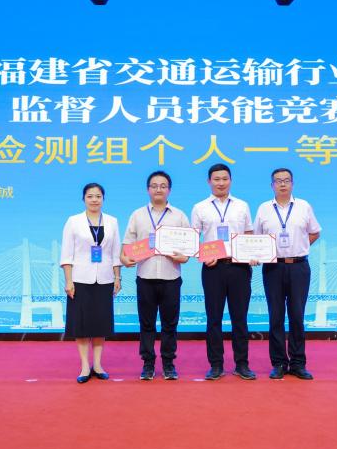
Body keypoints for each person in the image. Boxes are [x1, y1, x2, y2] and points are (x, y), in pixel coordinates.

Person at [120, 171, 191, 381]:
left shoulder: (179, 216)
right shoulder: (137, 215)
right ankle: (148, 363)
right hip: (145, 277)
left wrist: (184, 257)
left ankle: (169, 363)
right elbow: (126, 247)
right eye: (154, 185)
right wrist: (125, 259)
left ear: (169, 190)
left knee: (170, 324)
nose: (158, 189)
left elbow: (188, 249)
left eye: (163, 186)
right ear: (148, 189)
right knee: (147, 324)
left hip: (171, 277)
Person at [253, 168, 321, 380]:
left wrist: (300, 247)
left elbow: (315, 232)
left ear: (292, 184)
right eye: (278, 181)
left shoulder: (304, 206)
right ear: (272, 185)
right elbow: (256, 238)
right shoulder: (264, 209)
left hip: (299, 267)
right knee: (275, 316)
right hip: (273, 267)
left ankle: (298, 363)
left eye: (286, 180)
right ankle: (279, 363)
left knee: (297, 316)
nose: (282, 184)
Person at [190, 163, 256, 381]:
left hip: (239, 267)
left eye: (224, 179)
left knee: (240, 318)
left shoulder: (242, 206)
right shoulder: (200, 207)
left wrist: (252, 253)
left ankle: (242, 364)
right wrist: (202, 256)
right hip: (213, 269)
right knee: (214, 318)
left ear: (231, 180)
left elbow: (248, 234)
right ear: (209, 181)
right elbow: (193, 240)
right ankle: (216, 365)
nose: (221, 183)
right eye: (216, 179)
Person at [60, 183, 122, 384]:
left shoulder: (112, 221)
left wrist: (117, 277)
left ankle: (98, 365)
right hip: (80, 279)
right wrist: (68, 281)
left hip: (105, 278)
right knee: (81, 324)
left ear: (103, 199)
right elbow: (67, 254)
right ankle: (85, 366)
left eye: (98, 196)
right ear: (84, 199)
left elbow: (115, 253)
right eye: (90, 196)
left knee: (100, 324)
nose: (94, 200)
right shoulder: (73, 221)